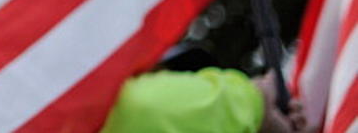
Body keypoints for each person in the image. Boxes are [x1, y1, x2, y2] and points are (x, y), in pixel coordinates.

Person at [100, 45, 311, 133]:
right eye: (165, 77)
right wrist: (257, 101)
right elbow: (143, 109)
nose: (183, 85)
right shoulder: (104, 111)